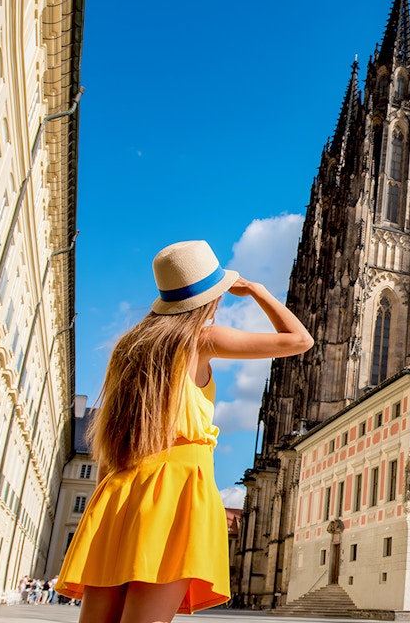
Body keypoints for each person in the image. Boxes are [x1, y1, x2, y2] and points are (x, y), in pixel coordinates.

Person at [54, 241, 313, 623]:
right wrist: (257, 290)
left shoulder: (129, 348)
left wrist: (103, 504)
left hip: (118, 491)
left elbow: (111, 440)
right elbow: (299, 340)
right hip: (175, 494)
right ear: (212, 297)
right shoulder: (200, 339)